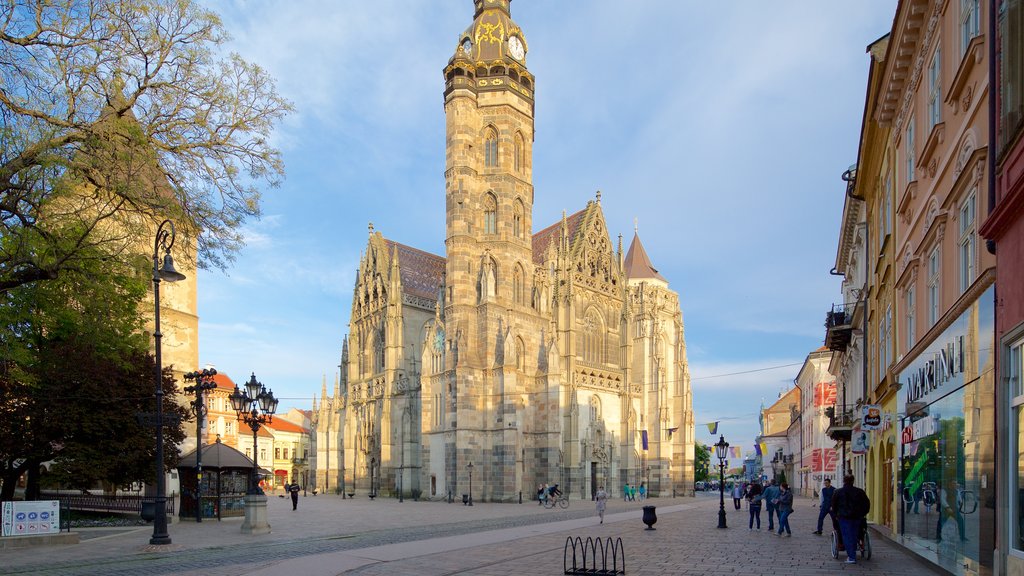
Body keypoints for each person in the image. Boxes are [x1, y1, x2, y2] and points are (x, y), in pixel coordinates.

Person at [832, 475, 871, 564]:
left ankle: (852, 556)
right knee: (855, 534)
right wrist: (863, 513)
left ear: (843, 481)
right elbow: (866, 504)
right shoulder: (860, 492)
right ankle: (853, 549)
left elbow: (834, 505)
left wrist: (836, 514)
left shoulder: (838, 492)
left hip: (844, 517)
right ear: (853, 481)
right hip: (857, 517)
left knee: (846, 535)